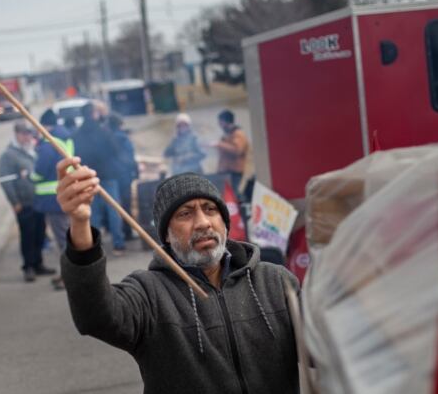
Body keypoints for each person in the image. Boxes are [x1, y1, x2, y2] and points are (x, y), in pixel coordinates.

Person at [56, 166, 301, 394]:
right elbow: (95, 315)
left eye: (210, 209)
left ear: (225, 223)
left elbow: (322, 347)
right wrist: (80, 224)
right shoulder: (148, 294)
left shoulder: (275, 281)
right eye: (185, 213)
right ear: (166, 235)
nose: (203, 222)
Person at [0, 120, 56, 282]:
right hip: (24, 203)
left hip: (38, 200)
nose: (27, 137)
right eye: (24, 134)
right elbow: (5, 181)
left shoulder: (32, 150)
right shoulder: (9, 155)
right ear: (17, 135)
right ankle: (28, 267)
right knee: (28, 236)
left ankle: (38, 264)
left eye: (29, 134)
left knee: (40, 234)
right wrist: (14, 202)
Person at [71, 103, 126, 255]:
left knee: (93, 213)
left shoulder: (77, 134)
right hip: (108, 176)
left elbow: (76, 156)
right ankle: (118, 245)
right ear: (93, 114)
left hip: (88, 178)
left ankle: (95, 246)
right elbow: (115, 150)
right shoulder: (103, 131)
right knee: (113, 210)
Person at [32, 109, 73, 290]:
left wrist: (30, 175)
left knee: (63, 239)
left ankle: (68, 277)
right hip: (67, 191)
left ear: (45, 125)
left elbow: (40, 171)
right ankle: (66, 274)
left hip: (54, 198)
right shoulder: (65, 137)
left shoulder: (50, 143)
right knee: (67, 236)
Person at [106, 113, 139, 241]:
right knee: (126, 205)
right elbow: (130, 158)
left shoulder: (106, 138)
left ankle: (116, 233)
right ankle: (128, 232)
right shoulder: (124, 139)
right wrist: (135, 171)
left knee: (113, 206)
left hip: (111, 177)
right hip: (124, 176)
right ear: (119, 124)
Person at [213, 109, 249, 194]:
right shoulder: (227, 134)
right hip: (225, 171)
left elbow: (237, 150)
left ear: (226, 121)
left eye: (220, 122)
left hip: (234, 172)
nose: (219, 124)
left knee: (233, 195)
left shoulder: (238, 134)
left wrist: (219, 144)